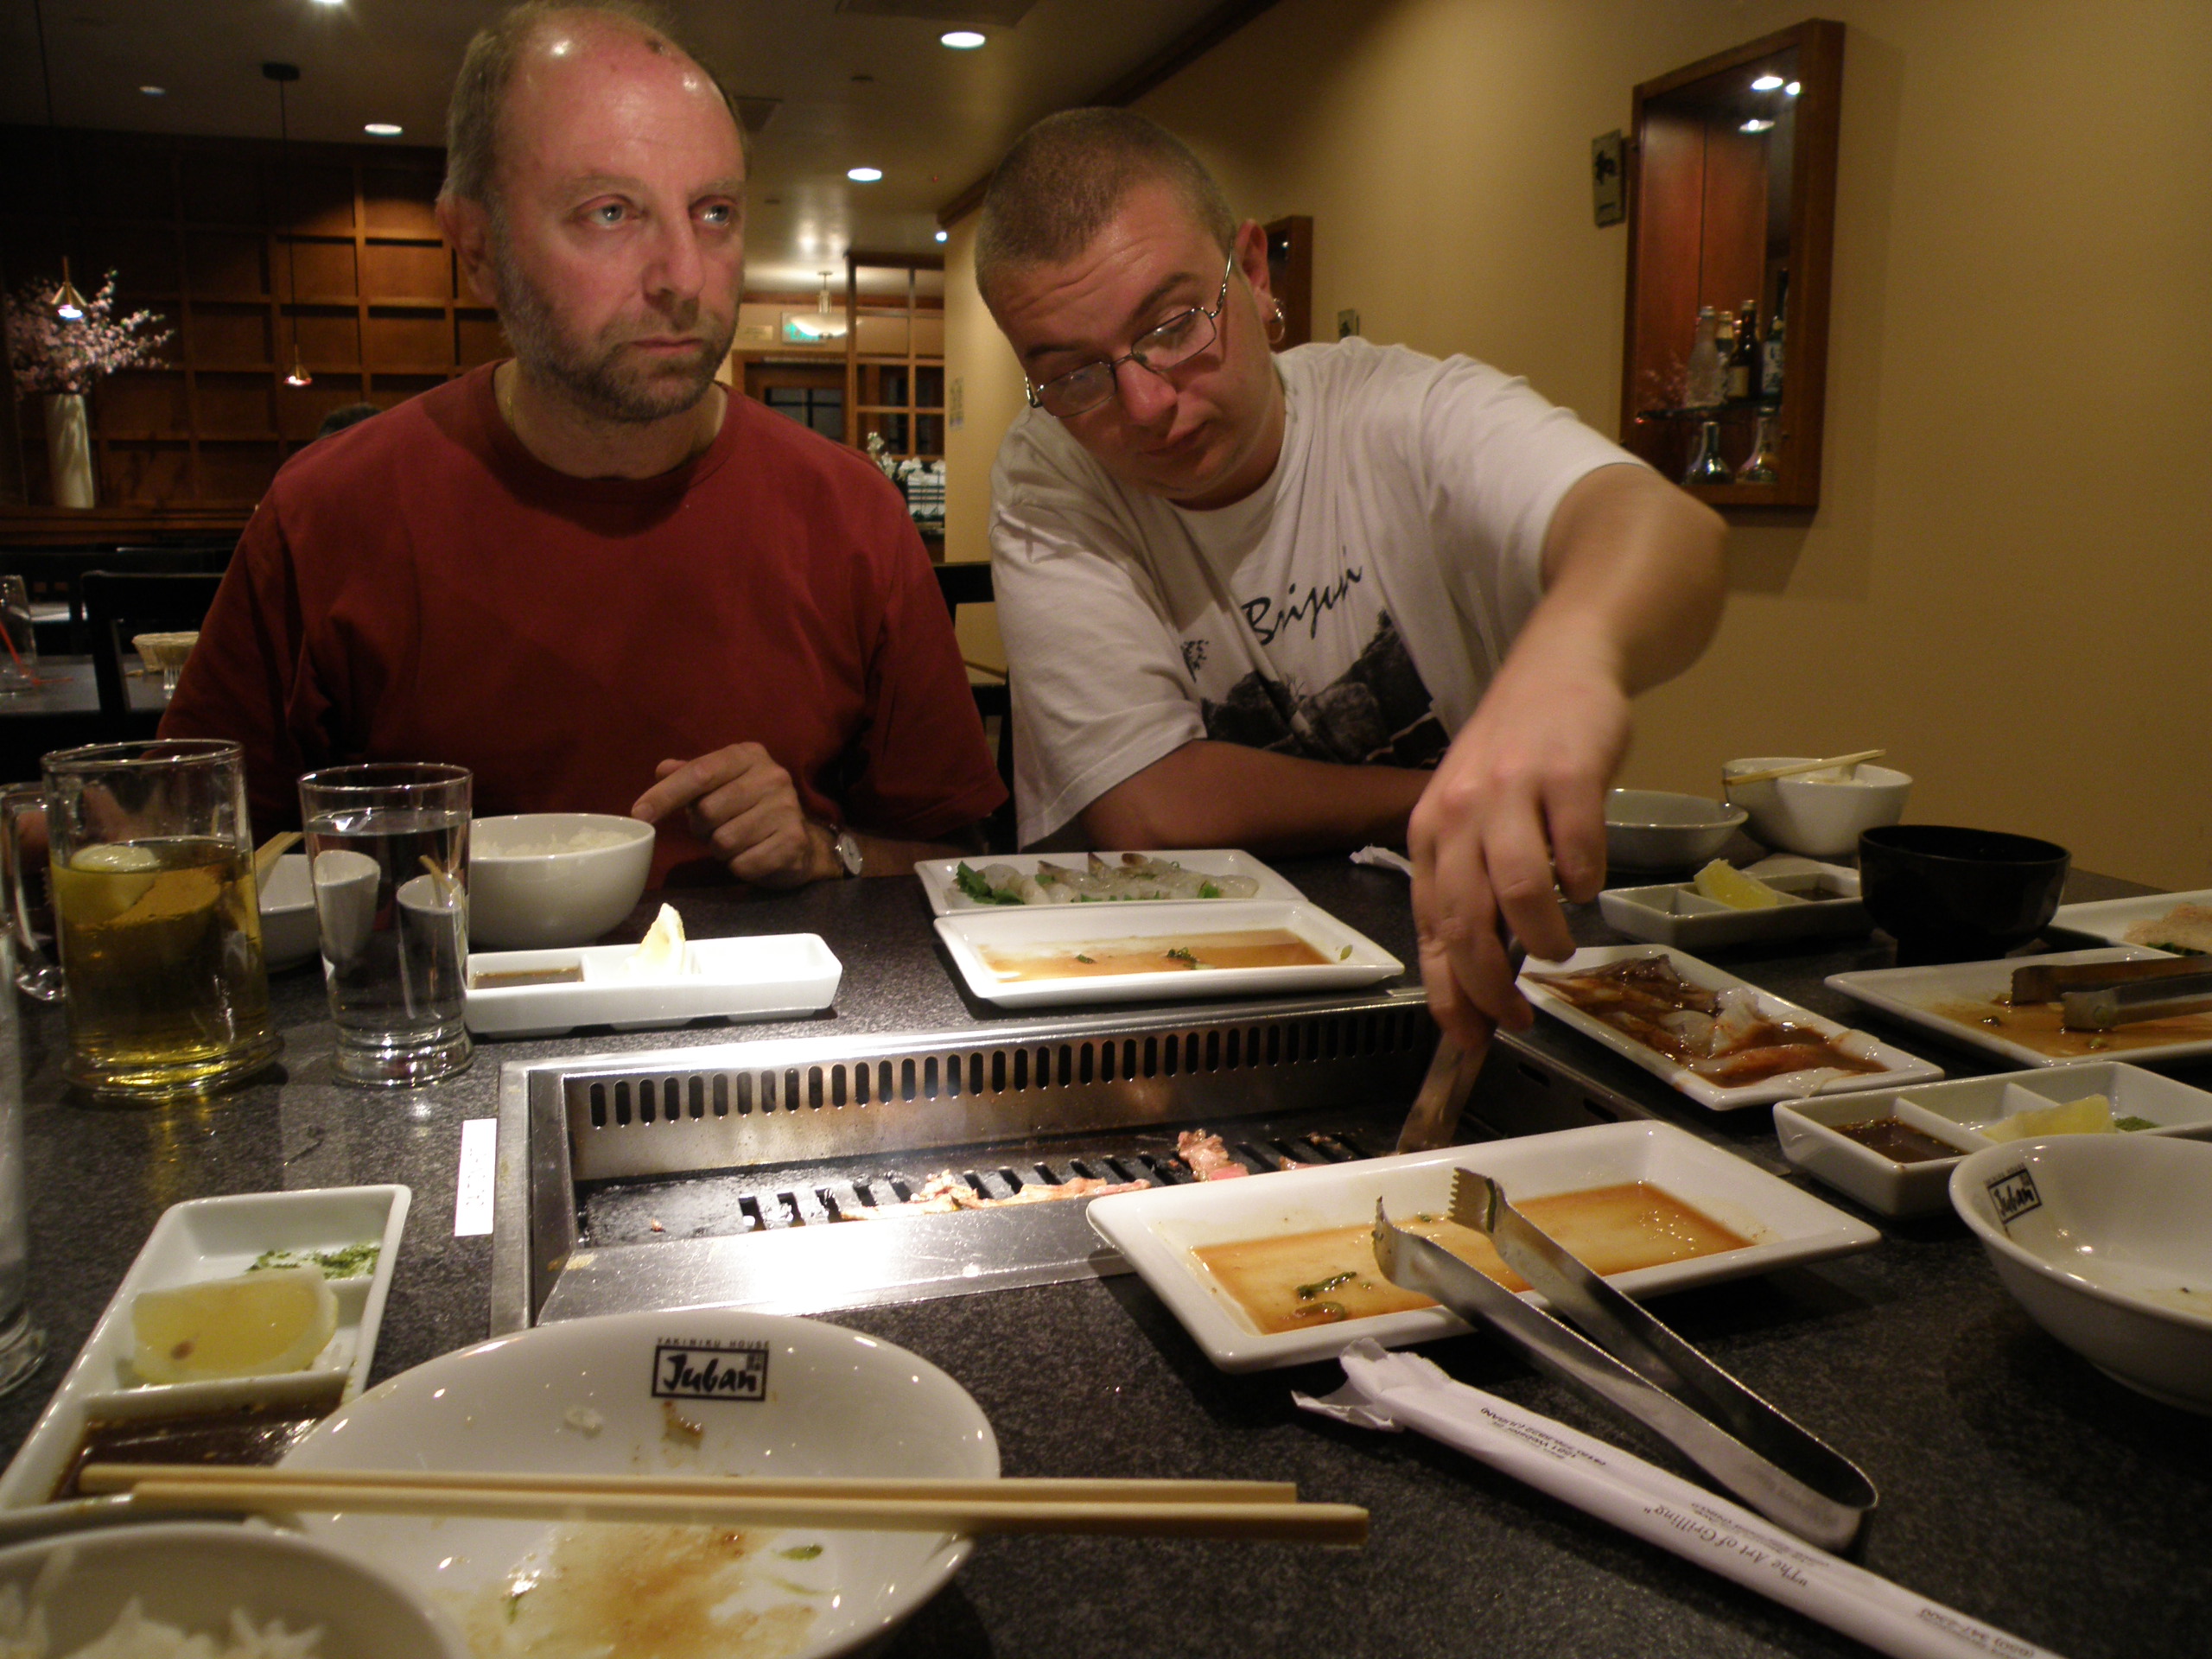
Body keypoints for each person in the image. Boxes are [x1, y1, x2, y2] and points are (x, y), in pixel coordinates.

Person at [162, 0, 1003, 887]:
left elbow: (958, 863)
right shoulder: (329, 513)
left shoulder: (851, 516)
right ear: (476, 247)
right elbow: (187, 859)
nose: (684, 276)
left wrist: (822, 849)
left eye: (714, 212)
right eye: (610, 213)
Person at [976, 109, 1726, 1052]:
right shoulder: (1050, 473)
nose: (1145, 402)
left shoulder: (1400, 411)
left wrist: (1571, 660)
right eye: (1075, 376)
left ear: (1253, 272)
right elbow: (1151, 808)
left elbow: (1665, 528)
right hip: (1189, 1002)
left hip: (1483, 971)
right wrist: (1443, 794)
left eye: (1172, 326)